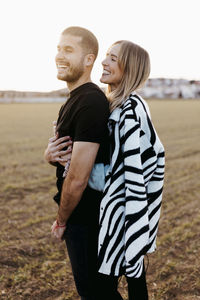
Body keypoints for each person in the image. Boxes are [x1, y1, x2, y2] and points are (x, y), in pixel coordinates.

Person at [47, 39, 165, 300]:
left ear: (130, 68)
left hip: (118, 216)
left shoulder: (131, 110)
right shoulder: (113, 106)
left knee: (99, 292)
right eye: (107, 56)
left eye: (113, 58)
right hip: (111, 217)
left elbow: (133, 172)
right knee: (104, 290)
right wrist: (55, 155)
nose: (104, 61)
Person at [44, 26, 110, 300]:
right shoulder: (72, 101)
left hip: (87, 219)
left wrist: (62, 220)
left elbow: (79, 177)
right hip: (82, 218)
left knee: (96, 294)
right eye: (59, 48)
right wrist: (49, 156)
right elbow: (64, 156)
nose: (60, 55)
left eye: (68, 50)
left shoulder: (91, 102)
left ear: (88, 59)